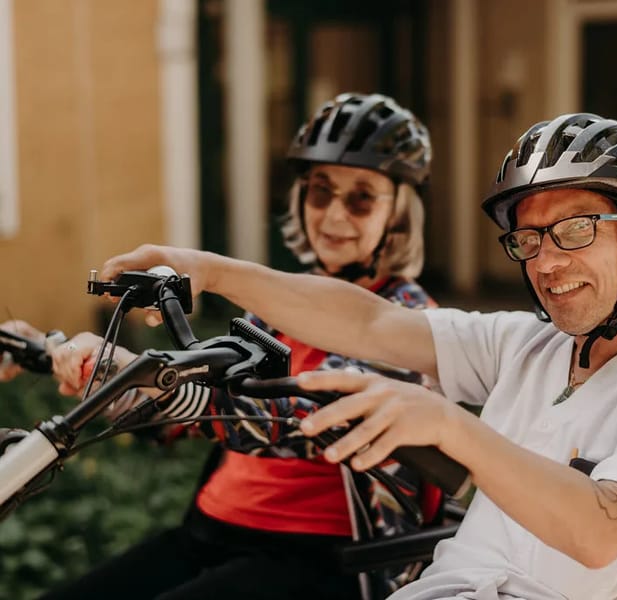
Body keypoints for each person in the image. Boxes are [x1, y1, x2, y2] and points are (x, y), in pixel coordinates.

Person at [99, 112, 617, 599]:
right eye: (528, 238)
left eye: (576, 230)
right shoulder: (528, 347)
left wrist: (449, 426)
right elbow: (371, 319)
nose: (549, 262)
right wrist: (206, 268)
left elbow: (604, 532)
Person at [9, 93, 440, 600]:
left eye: (361, 197)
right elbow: (182, 416)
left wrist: (164, 377)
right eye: (320, 192)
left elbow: (299, 417)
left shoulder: (410, 319)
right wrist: (72, 358)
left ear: (400, 214)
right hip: (208, 532)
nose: (335, 214)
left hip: (316, 556)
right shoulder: (287, 304)